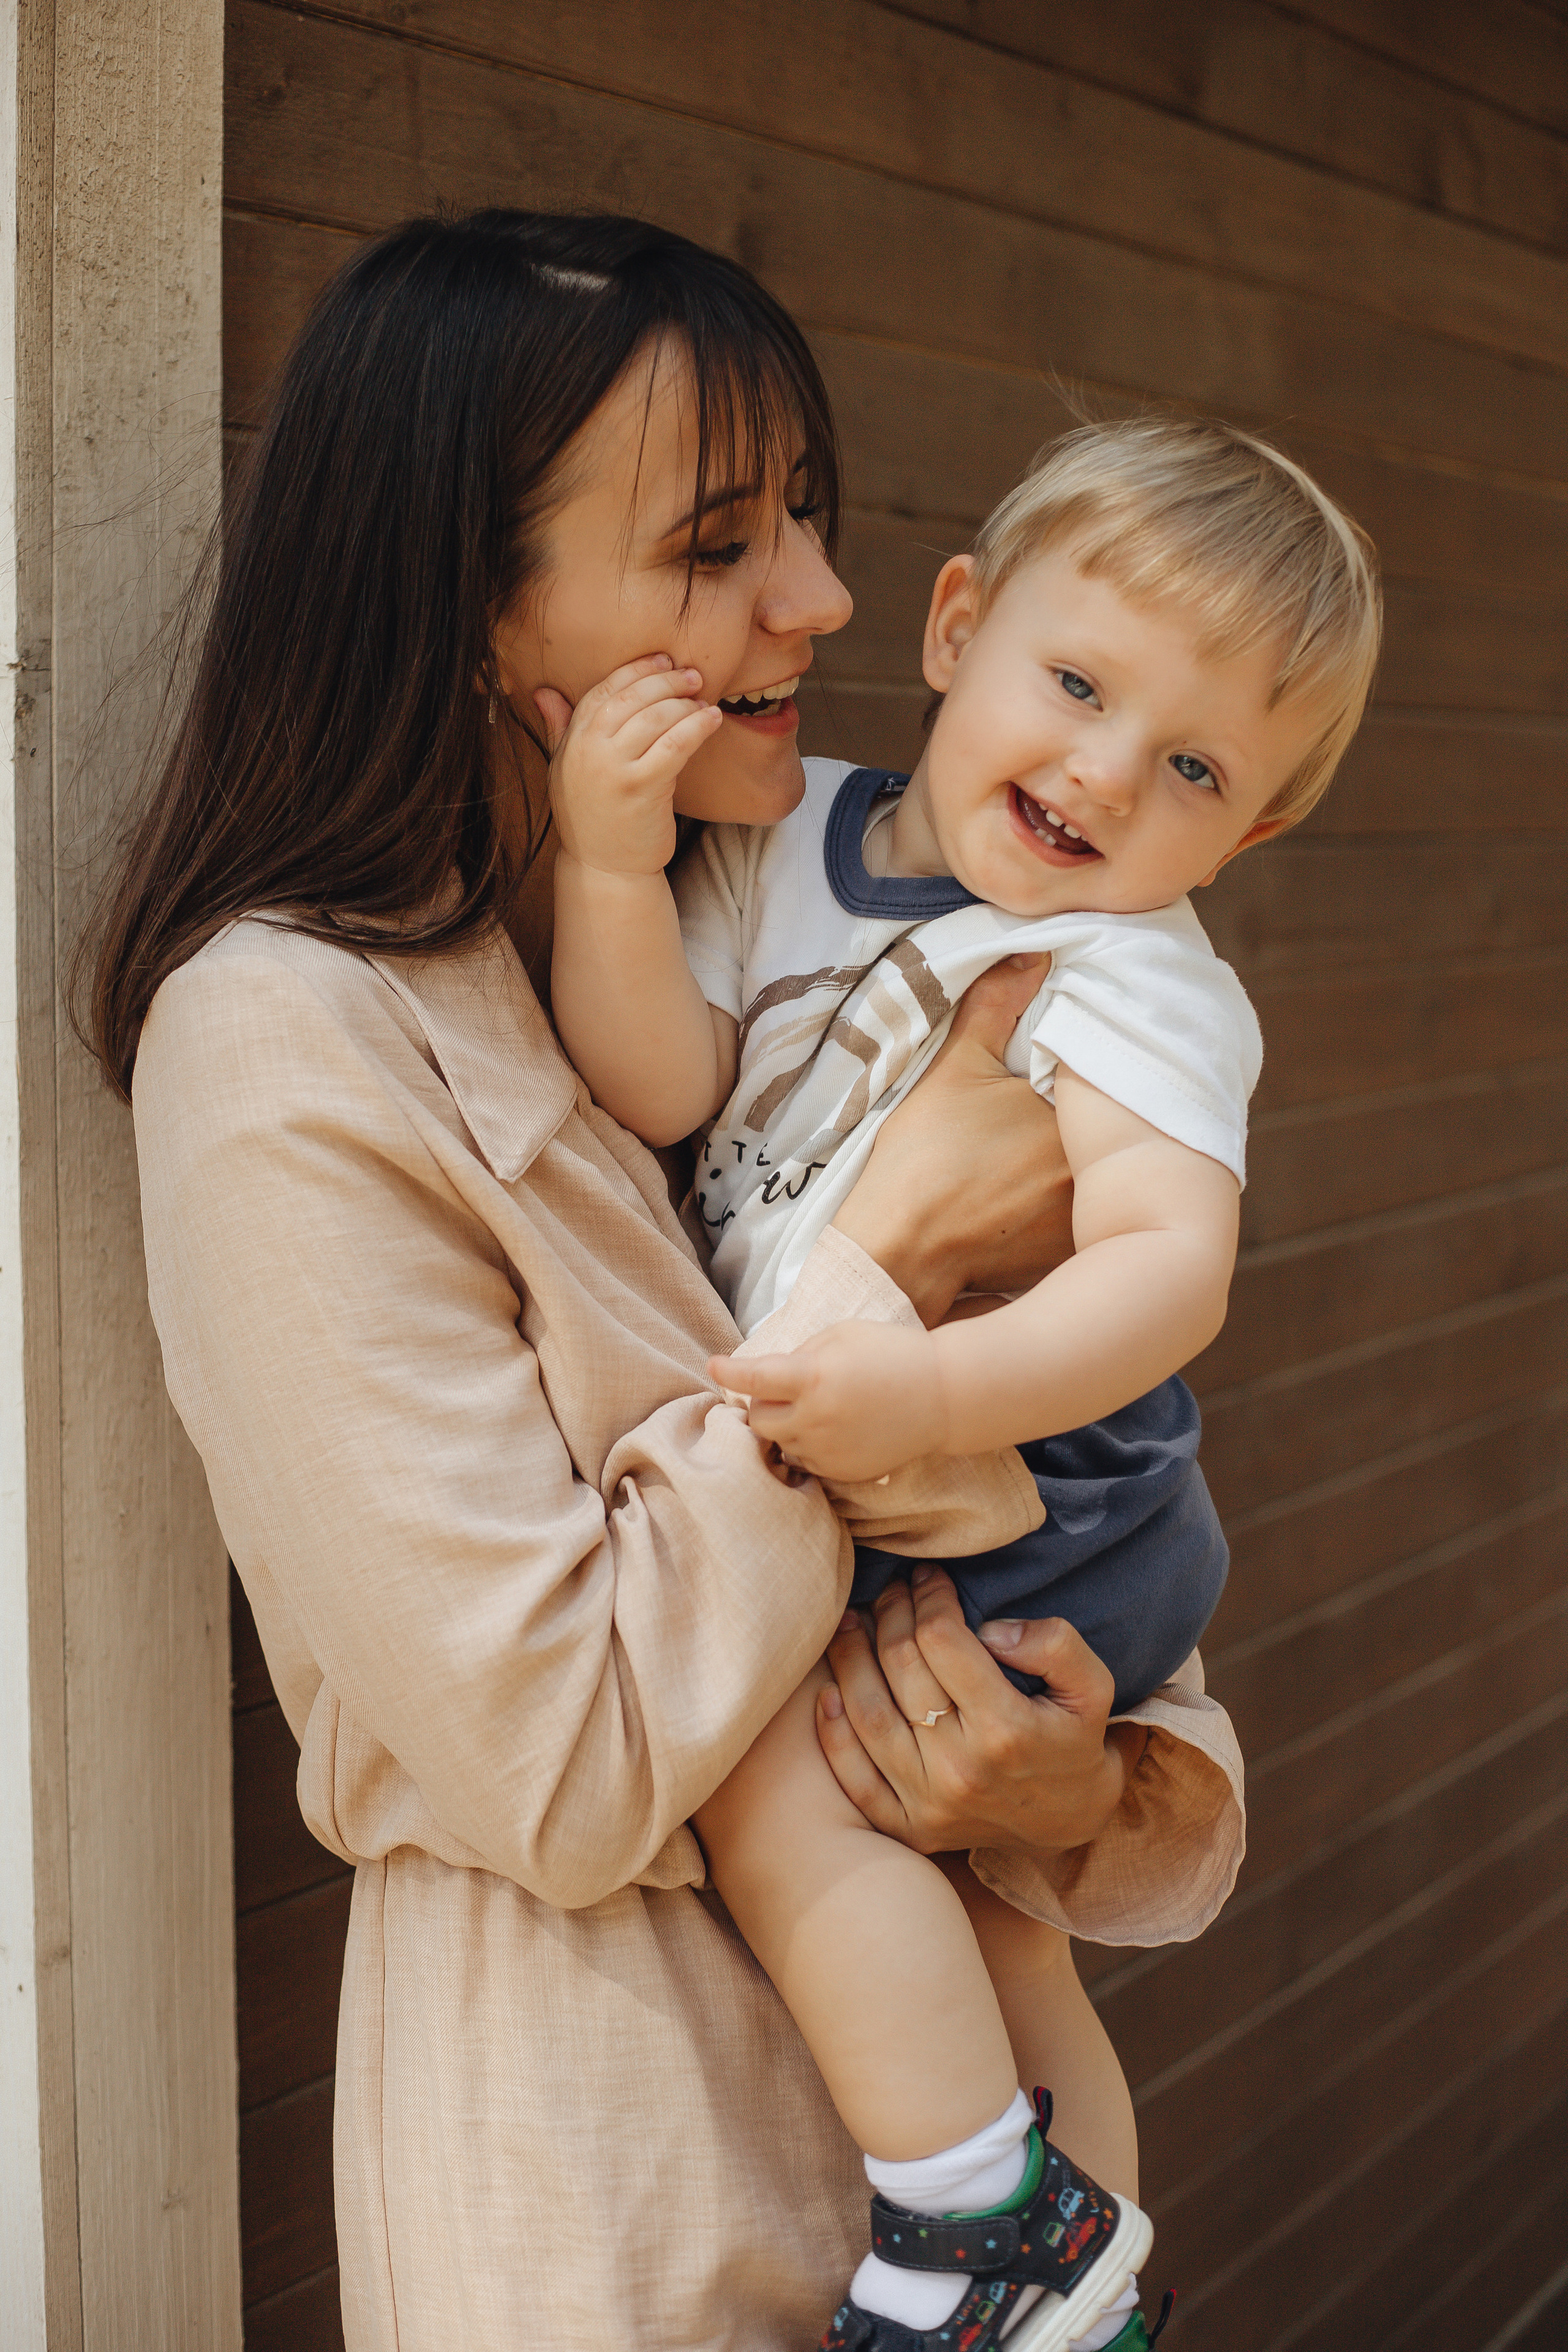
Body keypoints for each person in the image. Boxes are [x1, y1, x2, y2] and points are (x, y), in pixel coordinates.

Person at [77, 211, 1245, 2352]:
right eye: (718, 541)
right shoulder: (285, 1045)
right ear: (474, 598)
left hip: (1026, 2202)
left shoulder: (822, 948)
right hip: (628, 2194)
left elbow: (1088, 1579)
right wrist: (883, 1260)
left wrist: (1088, 1789)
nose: (822, 594)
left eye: (806, 512)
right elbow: (568, 1755)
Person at [548, 417, 1380, 2350]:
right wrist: (609, 862)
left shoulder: (1134, 977)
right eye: (1077, 684)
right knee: (1000, 1921)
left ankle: (969, 2219)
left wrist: (927, 1399)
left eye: (1190, 767)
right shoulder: (786, 845)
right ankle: (1082, 2280)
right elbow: (659, 1082)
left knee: (781, 1772)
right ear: (957, 627)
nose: (1102, 771)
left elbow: (1171, 1272)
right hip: (905, 1451)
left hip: (1041, 1471)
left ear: (1244, 836)